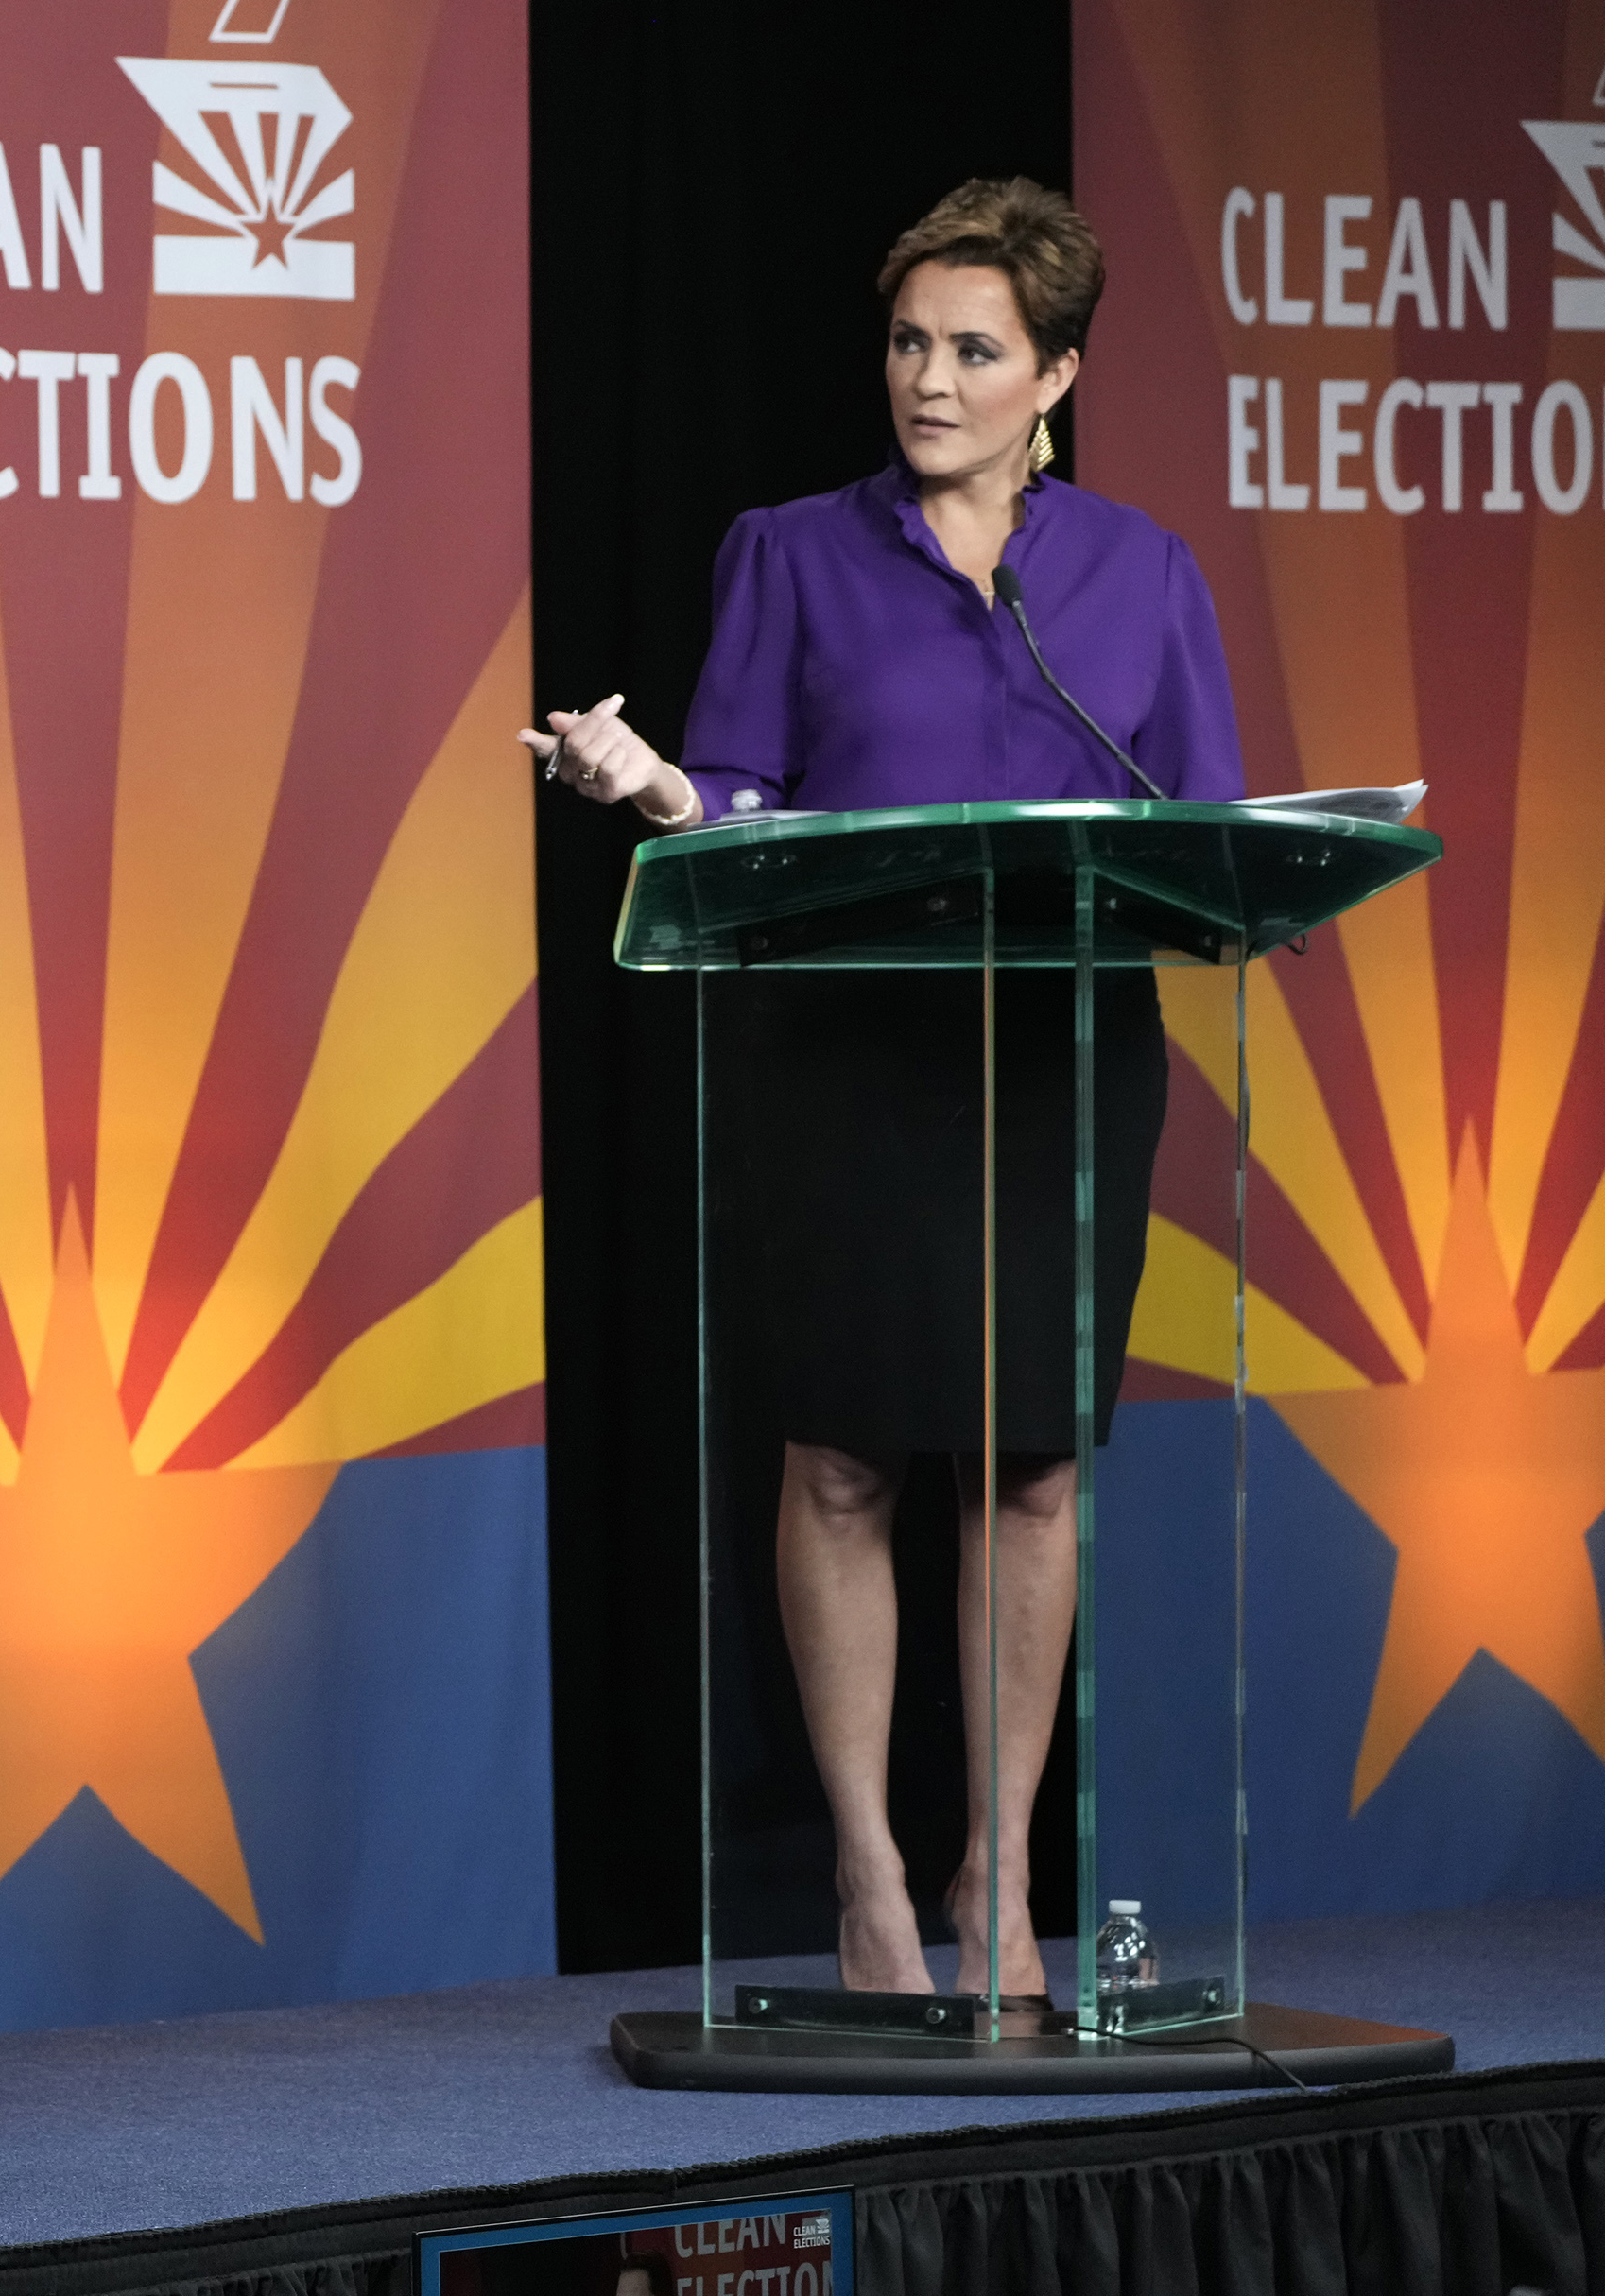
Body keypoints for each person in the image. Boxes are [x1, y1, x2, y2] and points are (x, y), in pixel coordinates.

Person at [522, 179, 1241, 2004]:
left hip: (1054, 1058)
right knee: (840, 1458)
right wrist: (657, 788)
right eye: (910, 342)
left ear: (1054, 375)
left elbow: (1202, 837)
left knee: (1021, 1469)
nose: (929, 381)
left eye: (975, 351)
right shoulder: (787, 548)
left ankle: (1001, 1880)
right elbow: (740, 796)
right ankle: (863, 1878)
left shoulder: (1140, 572)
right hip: (840, 1059)